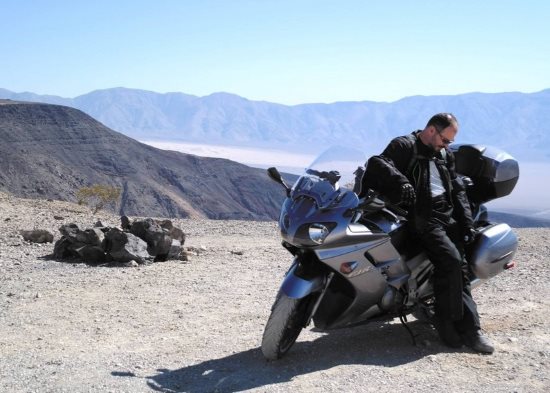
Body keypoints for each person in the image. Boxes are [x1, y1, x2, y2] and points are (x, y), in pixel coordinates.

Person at [360, 113, 494, 354]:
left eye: (450, 142)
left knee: (461, 269)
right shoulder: (404, 145)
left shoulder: (445, 154)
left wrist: (466, 226)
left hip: (447, 216)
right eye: (445, 139)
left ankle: (468, 330)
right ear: (431, 130)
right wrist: (401, 182)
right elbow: (378, 162)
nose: (447, 145)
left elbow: (458, 191)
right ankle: (450, 325)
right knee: (451, 262)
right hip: (421, 218)